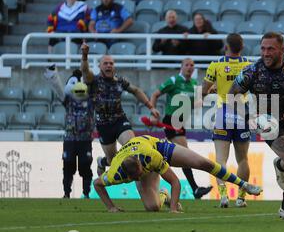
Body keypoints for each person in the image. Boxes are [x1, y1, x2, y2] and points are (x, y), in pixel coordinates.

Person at [228, 32, 284, 223]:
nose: (266, 53)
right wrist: (249, 116)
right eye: (263, 48)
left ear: (282, 50)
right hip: (267, 123)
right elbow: (232, 94)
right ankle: (282, 164)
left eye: (271, 49)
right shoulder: (252, 71)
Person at [94, 135, 263, 212]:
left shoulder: (151, 157)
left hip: (155, 147)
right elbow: (97, 184)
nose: (140, 176)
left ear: (140, 164)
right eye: (137, 177)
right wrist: (111, 207)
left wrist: (174, 209)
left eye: (140, 172)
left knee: (203, 163)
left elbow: (175, 181)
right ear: (129, 178)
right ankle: (163, 195)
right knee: (152, 207)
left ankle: (244, 184)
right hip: (138, 160)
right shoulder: (116, 174)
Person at [80, 42, 156, 177]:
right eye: (105, 63)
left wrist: (150, 106)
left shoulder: (120, 81)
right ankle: (102, 162)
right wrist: (85, 55)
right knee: (112, 160)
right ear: (100, 66)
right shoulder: (94, 80)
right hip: (103, 125)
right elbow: (85, 72)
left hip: (120, 121)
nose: (109, 65)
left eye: (111, 63)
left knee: (132, 148)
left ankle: (139, 178)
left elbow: (136, 90)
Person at [150, 58, 213, 199]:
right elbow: (155, 94)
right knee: (185, 154)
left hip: (181, 122)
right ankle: (195, 188)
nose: (190, 67)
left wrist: (207, 93)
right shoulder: (173, 81)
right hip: (172, 120)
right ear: (181, 67)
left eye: (192, 65)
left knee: (166, 155)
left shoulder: (194, 84)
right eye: (187, 65)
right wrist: (152, 110)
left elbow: (196, 104)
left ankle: (152, 176)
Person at [202, 33, 252, 208]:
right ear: (242, 47)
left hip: (223, 111)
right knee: (243, 159)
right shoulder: (248, 65)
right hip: (241, 111)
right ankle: (241, 198)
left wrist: (213, 90)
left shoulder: (216, 64)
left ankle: (223, 196)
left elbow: (203, 90)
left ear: (226, 46)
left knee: (221, 160)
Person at [44, 65, 95, 199]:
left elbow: (96, 88)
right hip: (70, 140)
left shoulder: (91, 102)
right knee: (68, 166)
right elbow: (59, 89)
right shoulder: (68, 101)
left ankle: (86, 193)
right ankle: (66, 193)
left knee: (85, 166)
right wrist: (52, 74)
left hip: (85, 140)